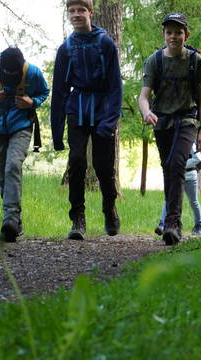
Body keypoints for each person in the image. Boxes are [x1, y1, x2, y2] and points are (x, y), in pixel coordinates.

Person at [51, 0, 123, 239]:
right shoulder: (65, 48)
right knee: (77, 161)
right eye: (72, 11)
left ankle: (109, 208)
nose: (76, 15)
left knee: (104, 167)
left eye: (81, 10)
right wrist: (56, 131)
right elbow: (60, 90)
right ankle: (77, 219)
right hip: (77, 109)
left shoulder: (105, 44)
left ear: (90, 13)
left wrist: (110, 120)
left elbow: (115, 86)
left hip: (103, 110)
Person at [138, 13, 201, 245]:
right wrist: (146, 112)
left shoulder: (194, 61)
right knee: (168, 167)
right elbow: (144, 96)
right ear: (164, 34)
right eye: (169, 32)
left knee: (177, 163)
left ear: (186, 35)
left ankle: (173, 223)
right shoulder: (154, 61)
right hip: (161, 122)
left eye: (178, 32)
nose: (173, 36)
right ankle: (171, 220)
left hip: (187, 120)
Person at [0, 46, 50, 243]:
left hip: (21, 126)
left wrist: (32, 103)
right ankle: (15, 220)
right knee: (1, 171)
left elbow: (44, 92)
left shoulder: (32, 72)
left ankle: (11, 219)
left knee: (13, 165)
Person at [155, 142, 201, 235]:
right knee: (169, 200)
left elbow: (198, 158)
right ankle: (162, 225)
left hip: (190, 176)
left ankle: (199, 225)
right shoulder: (171, 142)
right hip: (176, 175)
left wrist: (181, 164)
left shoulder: (189, 142)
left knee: (193, 201)